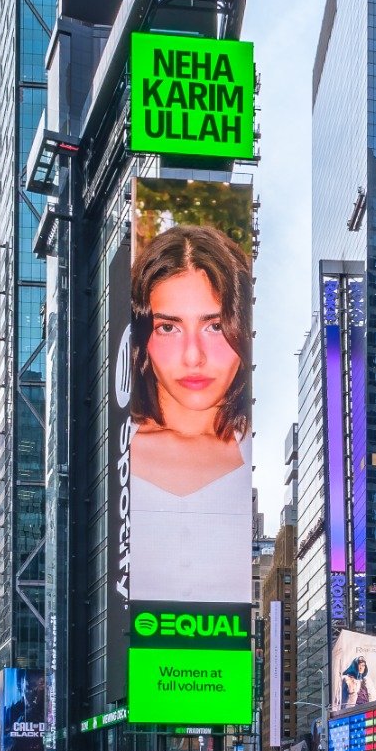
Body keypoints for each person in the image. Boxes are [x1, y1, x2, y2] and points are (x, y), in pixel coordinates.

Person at [128, 223, 254, 604]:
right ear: (143, 338)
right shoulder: (112, 451)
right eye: (168, 327)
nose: (193, 356)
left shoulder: (250, 448)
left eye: (214, 326)